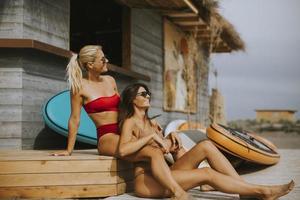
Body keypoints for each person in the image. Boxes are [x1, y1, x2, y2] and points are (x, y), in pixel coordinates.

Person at [51, 45, 190, 200]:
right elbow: (75, 119)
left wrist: (148, 122)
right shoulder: (79, 88)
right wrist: (69, 150)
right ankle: (178, 192)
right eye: (103, 59)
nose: (107, 61)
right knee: (153, 150)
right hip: (107, 136)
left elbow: (125, 107)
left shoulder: (110, 80)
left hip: (125, 129)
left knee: (172, 143)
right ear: (90, 65)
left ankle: (194, 178)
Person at [118, 83, 295, 199]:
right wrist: (151, 137)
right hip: (147, 181)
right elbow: (123, 150)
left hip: (167, 174)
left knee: (206, 145)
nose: (148, 96)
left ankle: (244, 191)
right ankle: (263, 191)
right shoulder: (130, 123)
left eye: (148, 93)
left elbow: (162, 148)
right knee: (207, 174)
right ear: (133, 99)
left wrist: (171, 138)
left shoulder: (152, 122)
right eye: (143, 93)